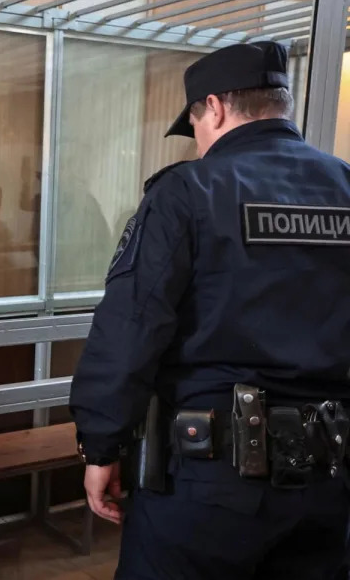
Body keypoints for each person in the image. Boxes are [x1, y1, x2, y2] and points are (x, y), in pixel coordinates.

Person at [69, 41, 350, 580]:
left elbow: (131, 328)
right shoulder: (344, 186)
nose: (198, 140)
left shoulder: (188, 191)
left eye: (195, 123)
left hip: (210, 487)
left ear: (215, 108)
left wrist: (100, 445)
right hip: (328, 481)